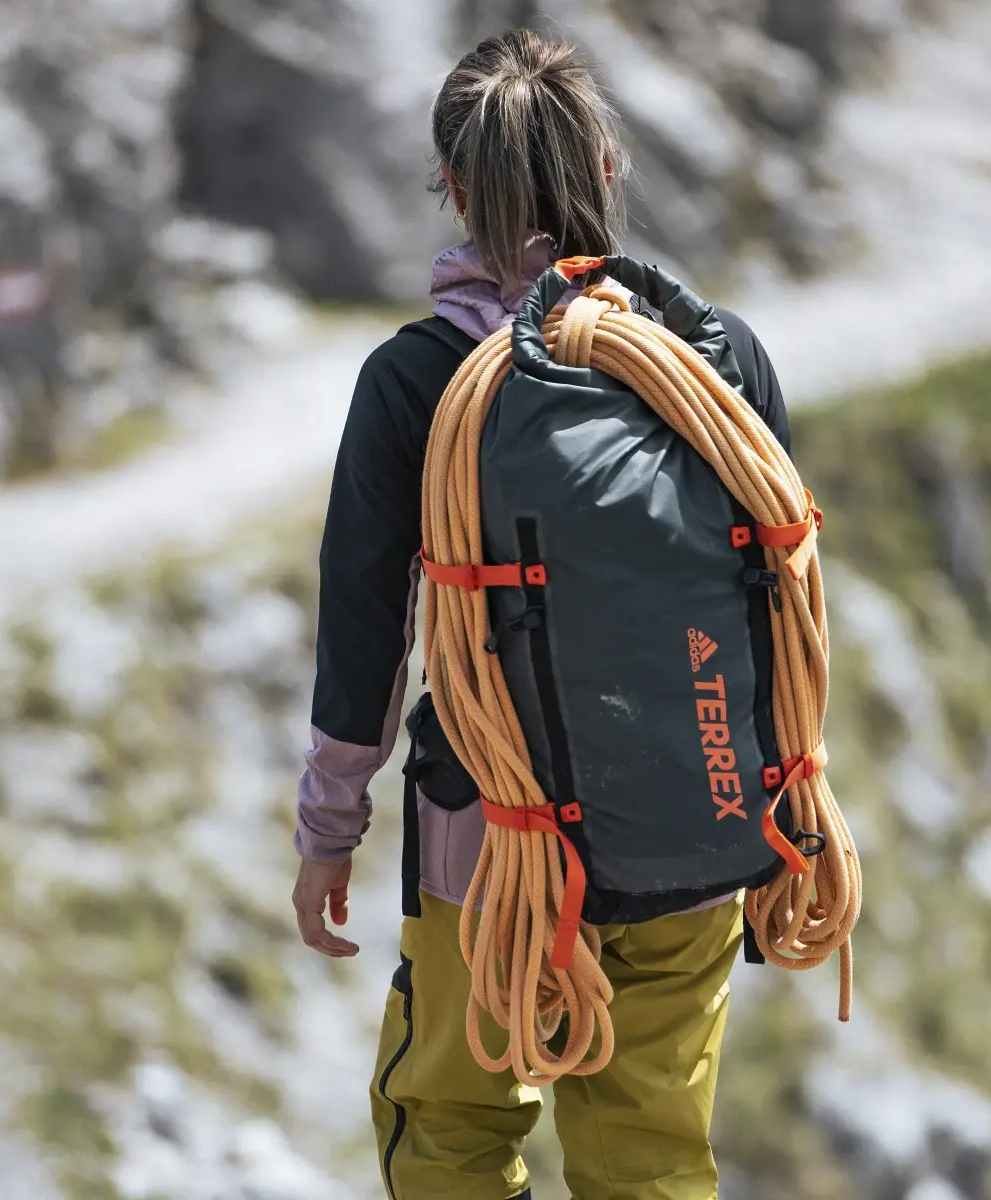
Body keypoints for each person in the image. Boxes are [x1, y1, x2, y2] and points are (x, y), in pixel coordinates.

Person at [291, 28, 791, 1200]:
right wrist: (785, 812)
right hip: (697, 839)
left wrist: (329, 832)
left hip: (495, 856)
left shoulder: (415, 382)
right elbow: (779, 606)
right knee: (654, 1161)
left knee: (453, 1133)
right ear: (607, 170)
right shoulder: (721, 360)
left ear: (453, 187)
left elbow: (366, 627)